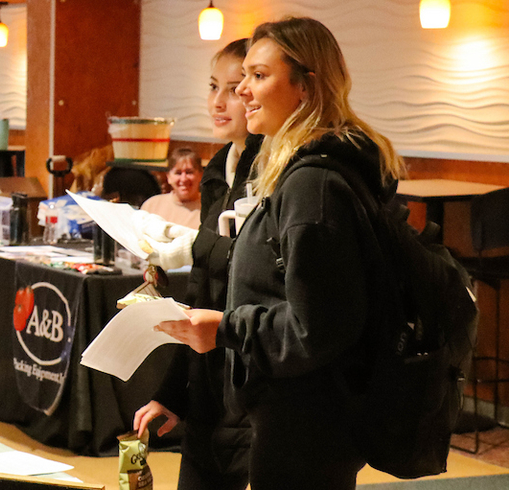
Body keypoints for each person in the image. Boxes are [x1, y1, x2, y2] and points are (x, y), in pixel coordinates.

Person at [155, 17, 405, 489]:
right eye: (241, 76)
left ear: (306, 86)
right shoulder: (293, 173)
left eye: (258, 76)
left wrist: (225, 327)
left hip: (305, 420)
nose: (243, 91)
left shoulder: (315, 186)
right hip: (284, 412)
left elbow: (318, 327)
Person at [134, 39, 261, 490]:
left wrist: (193, 247)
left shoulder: (277, 169)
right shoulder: (220, 166)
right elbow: (201, 293)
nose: (221, 101)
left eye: (240, 84)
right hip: (209, 384)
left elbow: (254, 271)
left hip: (256, 381)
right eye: (214, 86)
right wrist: (171, 394)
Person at [140, 148, 204, 229]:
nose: (183, 179)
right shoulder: (151, 206)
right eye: (178, 173)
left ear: (200, 175)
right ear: (169, 177)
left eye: (189, 172)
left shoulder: (210, 209)